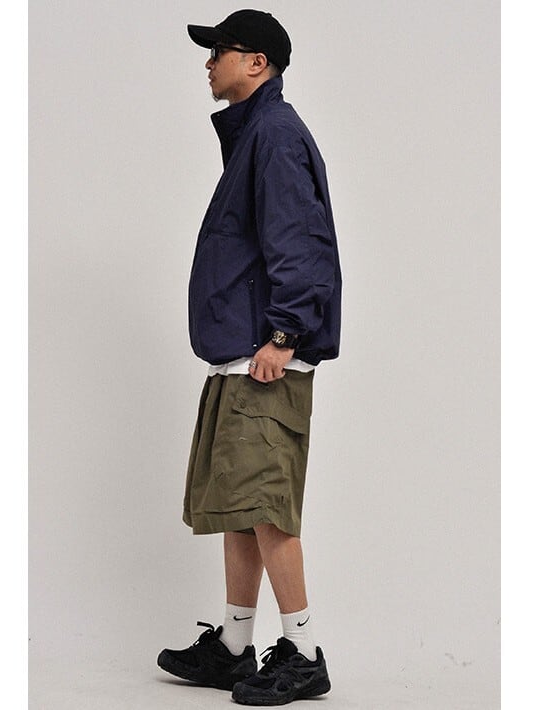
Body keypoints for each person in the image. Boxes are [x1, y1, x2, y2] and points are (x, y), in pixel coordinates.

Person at [157, 9, 342, 706]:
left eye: (219, 52)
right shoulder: (255, 134)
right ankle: (235, 646)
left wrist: (284, 336)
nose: (208, 63)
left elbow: (302, 243)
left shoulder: (275, 135)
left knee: (266, 506)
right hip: (241, 356)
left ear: (256, 62)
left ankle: (304, 651)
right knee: (240, 504)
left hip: (267, 357)